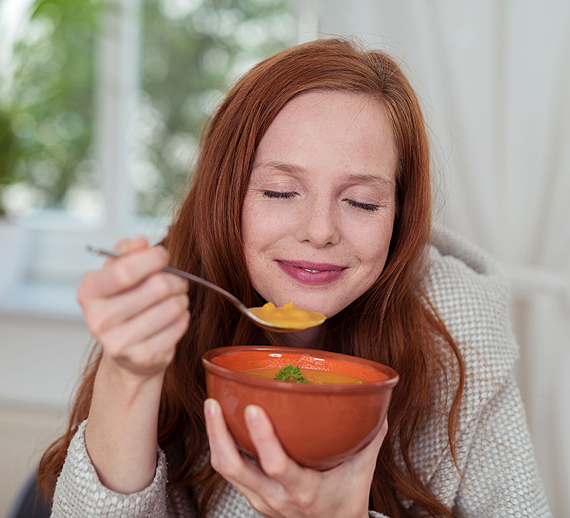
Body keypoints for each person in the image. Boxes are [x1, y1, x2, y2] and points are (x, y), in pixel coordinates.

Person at [38, 38, 551, 518]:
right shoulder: (163, 304)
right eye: (281, 191)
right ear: (226, 194)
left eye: (361, 202)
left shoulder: (458, 330)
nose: (321, 231)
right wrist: (130, 373)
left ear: (400, 214)